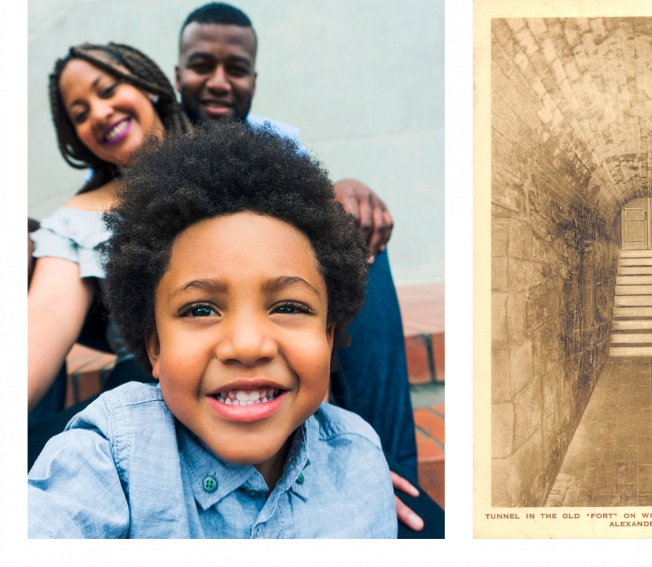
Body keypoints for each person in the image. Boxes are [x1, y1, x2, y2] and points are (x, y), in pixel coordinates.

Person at [29, 121, 397, 538]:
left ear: (328, 339)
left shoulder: (359, 461)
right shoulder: (111, 454)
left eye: (289, 306)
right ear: (155, 348)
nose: (246, 345)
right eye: (200, 309)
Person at [175, 2, 430, 529]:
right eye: (202, 65)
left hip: (275, 302)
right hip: (196, 316)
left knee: (356, 239)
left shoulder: (277, 142)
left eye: (237, 69)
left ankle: (392, 473)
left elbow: (316, 212)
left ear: (254, 78)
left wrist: (348, 191)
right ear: (179, 73)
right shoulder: (158, 141)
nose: (220, 81)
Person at [28, 43, 191, 419]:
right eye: (80, 114)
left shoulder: (236, 161)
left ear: (146, 84)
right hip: (140, 407)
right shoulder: (76, 221)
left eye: (107, 90)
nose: (99, 113)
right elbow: (45, 316)